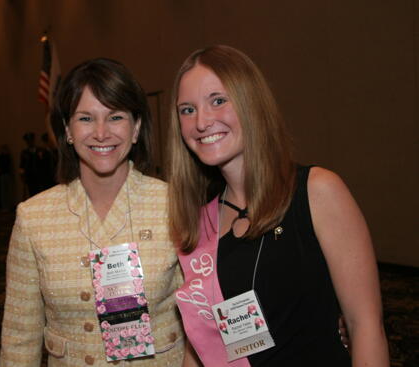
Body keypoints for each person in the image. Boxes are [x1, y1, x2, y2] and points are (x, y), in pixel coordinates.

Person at [167, 45, 389, 366]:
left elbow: (365, 326)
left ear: (250, 103)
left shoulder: (316, 191)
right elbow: (200, 345)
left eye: (218, 101)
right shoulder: (200, 221)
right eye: (187, 110)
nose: (202, 121)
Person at [0, 58, 185, 366]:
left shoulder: (174, 205)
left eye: (115, 117)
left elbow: (202, 315)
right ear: (67, 131)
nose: (101, 133)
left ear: (136, 128)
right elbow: (21, 335)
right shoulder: (34, 218)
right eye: (86, 118)